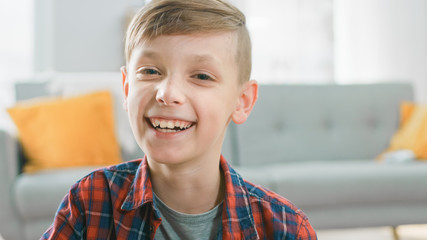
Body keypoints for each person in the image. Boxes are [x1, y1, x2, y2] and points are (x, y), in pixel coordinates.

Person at [42, 0, 317, 239]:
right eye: (150, 71)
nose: (168, 94)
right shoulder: (89, 201)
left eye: (201, 76)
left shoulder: (286, 229)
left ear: (242, 101)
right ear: (126, 89)